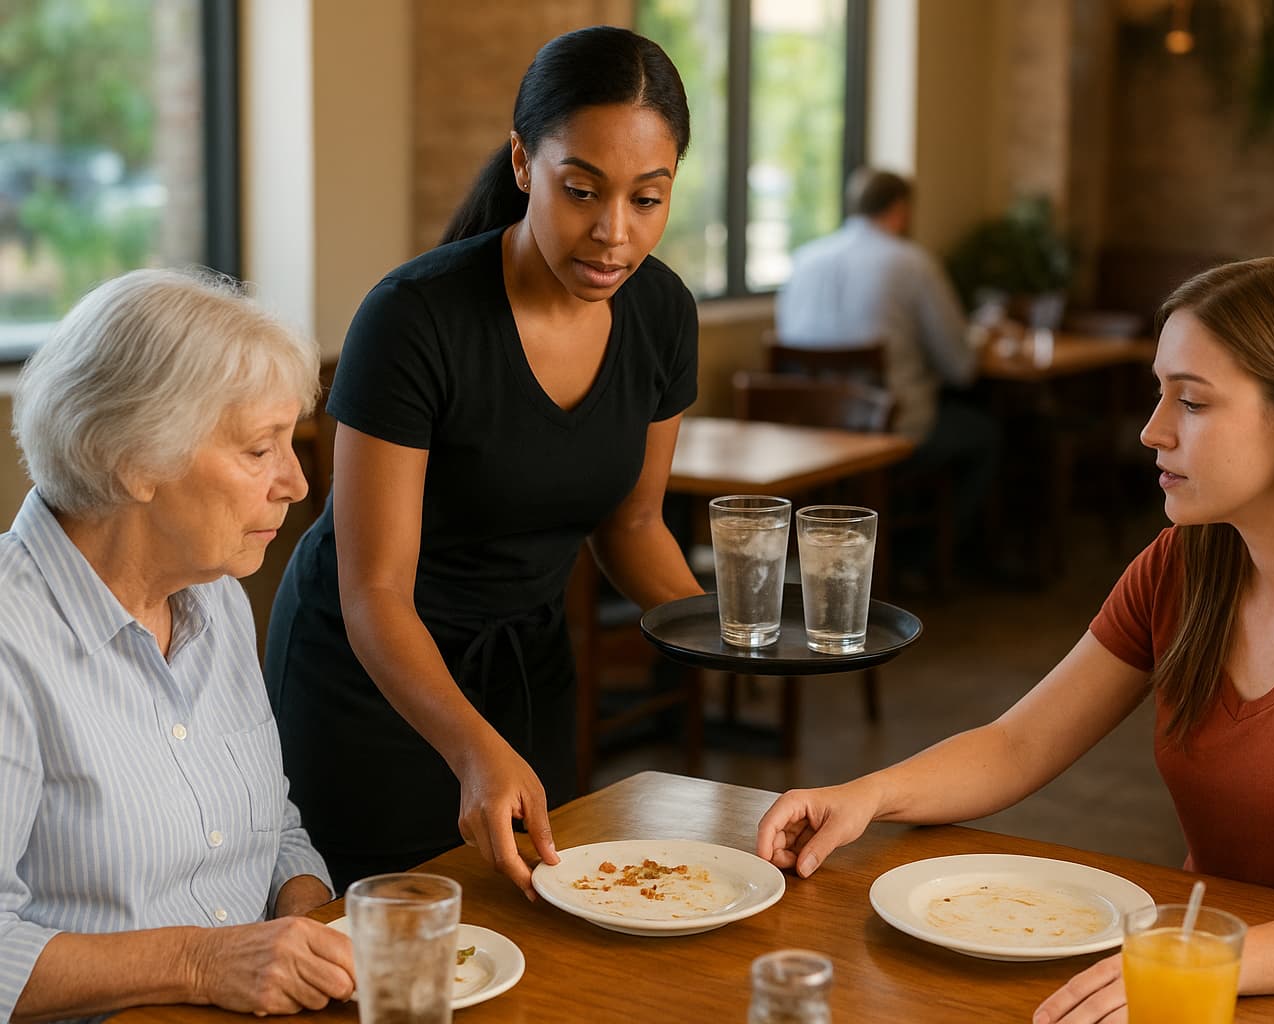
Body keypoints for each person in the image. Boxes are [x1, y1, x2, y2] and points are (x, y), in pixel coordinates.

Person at [756, 255, 1274, 1023]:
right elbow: (1019, 745)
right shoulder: (1188, 563)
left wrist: (1191, 963)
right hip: (1220, 981)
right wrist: (867, 796)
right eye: (1161, 393)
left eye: (1191, 402)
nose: (1152, 430)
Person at [263, 25, 703, 897]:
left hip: (524, 666)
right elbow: (372, 591)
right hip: (375, 675)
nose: (613, 234)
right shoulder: (413, 319)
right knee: (380, 943)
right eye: (581, 190)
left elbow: (634, 523)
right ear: (521, 164)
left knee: (535, 921)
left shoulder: (662, 315)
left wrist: (728, 633)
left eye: (647, 200)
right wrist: (471, 747)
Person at [0, 269, 353, 1023]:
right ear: (136, 460)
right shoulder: (9, 639)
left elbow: (272, 826)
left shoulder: (215, 594)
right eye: (260, 450)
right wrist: (199, 963)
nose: (295, 481)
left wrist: (308, 915)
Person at [774, 167, 1000, 559]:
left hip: (809, 435)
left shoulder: (804, 258)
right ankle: (931, 556)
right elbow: (960, 369)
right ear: (900, 208)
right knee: (986, 435)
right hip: (885, 433)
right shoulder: (912, 263)